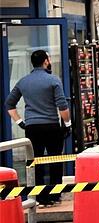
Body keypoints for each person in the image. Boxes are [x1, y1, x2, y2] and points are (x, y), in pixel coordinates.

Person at [4, 50, 71, 207]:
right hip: (51, 126)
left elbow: (9, 104)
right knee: (55, 159)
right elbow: (62, 106)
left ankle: (40, 198)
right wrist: (67, 124)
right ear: (46, 61)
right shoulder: (53, 80)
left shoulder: (23, 82)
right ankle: (55, 195)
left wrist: (20, 122)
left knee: (36, 161)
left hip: (32, 128)